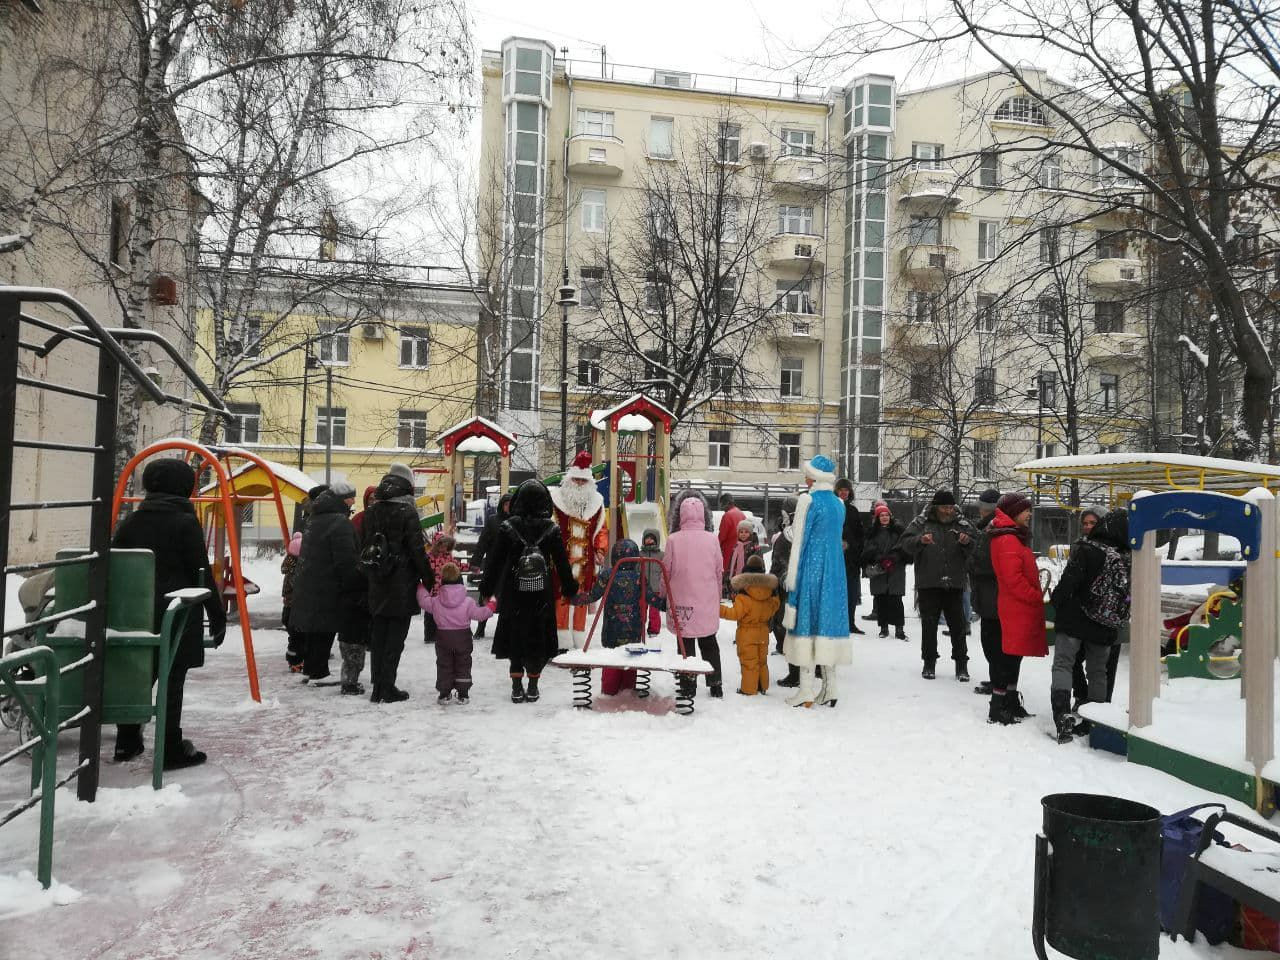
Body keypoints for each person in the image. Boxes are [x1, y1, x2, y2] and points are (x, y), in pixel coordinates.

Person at [111, 458, 226, 770]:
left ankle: (126, 740)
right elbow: (200, 572)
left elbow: (117, 565)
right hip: (176, 615)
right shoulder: (185, 523)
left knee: (137, 677)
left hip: (135, 614)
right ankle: (170, 748)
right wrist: (216, 615)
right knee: (172, 682)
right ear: (184, 487)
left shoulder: (131, 522)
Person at [480, 479, 578, 703]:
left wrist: (487, 588)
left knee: (515, 637)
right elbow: (562, 563)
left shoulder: (508, 527)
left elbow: (495, 561)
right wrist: (569, 588)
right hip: (541, 593)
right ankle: (533, 686)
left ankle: (516, 687)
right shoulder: (551, 529)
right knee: (537, 637)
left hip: (513, 592)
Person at [1049, 508, 1131, 742]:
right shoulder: (1126, 558)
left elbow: (1068, 584)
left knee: (1063, 665)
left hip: (1074, 619)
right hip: (1104, 623)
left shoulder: (1087, 550)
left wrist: (1057, 602)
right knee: (1097, 672)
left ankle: (1063, 714)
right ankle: (1095, 722)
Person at [360, 462, 435, 703]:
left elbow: (365, 546)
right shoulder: (407, 512)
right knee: (395, 638)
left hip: (377, 581)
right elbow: (417, 551)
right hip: (401, 583)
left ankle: (377, 687)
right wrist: (429, 579)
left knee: (379, 635)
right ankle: (387, 686)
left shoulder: (372, 510)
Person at [782, 454, 851, 708]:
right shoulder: (839, 504)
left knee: (807, 624)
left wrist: (786, 528)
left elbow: (799, 537)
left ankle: (806, 690)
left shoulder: (807, 500)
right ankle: (830, 687)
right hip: (834, 571)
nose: (805, 478)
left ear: (814, 477)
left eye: (808, 474)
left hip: (811, 568)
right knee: (826, 626)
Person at [291, 482, 366, 689]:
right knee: (325, 629)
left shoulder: (316, 518)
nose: (353, 501)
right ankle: (319, 672)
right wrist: (355, 582)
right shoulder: (339, 522)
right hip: (328, 585)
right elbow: (346, 560)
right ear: (343, 499)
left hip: (311, 581)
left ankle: (311, 669)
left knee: (315, 628)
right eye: (351, 497)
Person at [900, 489, 975, 681]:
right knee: (929, 625)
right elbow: (905, 543)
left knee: (958, 626)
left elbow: (977, 545)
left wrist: (967, 542)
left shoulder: (962, 523)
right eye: (944, 507)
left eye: (950, 507)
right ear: (935, 507)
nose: (948, 511)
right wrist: (920, 540)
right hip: (928, 582)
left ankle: (961, 664)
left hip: (954, 583)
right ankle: (929, 662)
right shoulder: (921, 522)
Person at [987, 492, 1049, 724]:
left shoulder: (1012, 536)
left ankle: (1010, 701)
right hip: (1016, 607)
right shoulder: (1008, 540)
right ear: (1013, 512)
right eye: (1025, 510)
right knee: (1007, 657)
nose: (1029, 514)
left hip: (1018, 607)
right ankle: (998, 706)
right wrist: (1035, 596)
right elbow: (1012, 579)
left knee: (1014, 656)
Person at [663, 489, 725, 698]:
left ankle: (687, 685)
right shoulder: (712, 540)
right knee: (709, 643)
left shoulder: (673, 540)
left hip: (681, 601)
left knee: (685, 644)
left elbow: (666, 571)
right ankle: (715, 683)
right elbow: (718, 571)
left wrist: (663, 593)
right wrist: (717, 597)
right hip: (707, 599)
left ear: (680, 515)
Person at [551, 450, 608, 650]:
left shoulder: (597, 503)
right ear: (569, 479)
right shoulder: (556, 500)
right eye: (576, 480)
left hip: (586, 561)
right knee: (562, 597)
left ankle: (578, 635)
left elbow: (601, 529)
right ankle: (561, 638)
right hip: (562, 560)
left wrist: (600, 550)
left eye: (583, 481)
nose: (579, 484)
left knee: (582, 599)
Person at [417, 561, 494, 704]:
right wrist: (492, 604)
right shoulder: (468, 602)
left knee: (444, 664)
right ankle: (463, 694)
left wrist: (421, 587)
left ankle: (444, 694)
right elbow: (480, 614)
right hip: (463, 638)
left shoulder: (436, 601)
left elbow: (423, 601)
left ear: (442, 580)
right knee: (463, 664)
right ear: (459, 579)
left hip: (443, 638)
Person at [579, 538, 646, 696]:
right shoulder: (638, 576)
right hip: (633, 628)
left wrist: (577, 599)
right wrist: (665, 604)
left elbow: (594, 595)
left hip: (612, 628)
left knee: (611, 658)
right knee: (630, 659)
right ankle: (628, 690)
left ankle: (609, 691)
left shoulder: (608, 574)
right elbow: (650, 596)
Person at [720, 554, 780, 696]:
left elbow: (734, 614)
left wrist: (718, 609)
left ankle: (748, 689)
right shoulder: (770, 594)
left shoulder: (744, 596)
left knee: (749, 663)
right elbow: (775, 606)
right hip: (763, 632)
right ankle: (762, 686)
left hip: (747, 634)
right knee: (762, 661)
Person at [1070, 505, 1106, 703]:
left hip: (1103, 615)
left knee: (1098, 666)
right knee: (1074, 659)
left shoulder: (1112, 549)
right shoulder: (1078, 546)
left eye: (1092, 523)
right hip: (1080, 612)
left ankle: (1098, 704)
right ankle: (1082, 696)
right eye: (1085, 523)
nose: (1087, 526)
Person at [969, 488, 1002, 696]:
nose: (979, 511)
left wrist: (971, 562)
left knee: (993, 642)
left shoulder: (994, 529)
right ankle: (996, 679)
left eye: (981, 508)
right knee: (989, 641)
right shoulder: (985, 528)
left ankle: (999, 682)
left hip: (993, 595)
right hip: (987, 594)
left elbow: (988, 562)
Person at [861, 503, 908, 639]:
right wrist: (879, 558)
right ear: (877, 518)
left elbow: (904, 547)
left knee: (896, 600)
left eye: (886, 515)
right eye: (881, 515)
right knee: (881, 600)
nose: (884, 517)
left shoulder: (899, 531)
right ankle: (883, 628)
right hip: (879, 570)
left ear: (890, 516)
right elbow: (868, 549)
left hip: (896, 569)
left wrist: (894, 558)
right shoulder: (872, 532)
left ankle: (899, 629)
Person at [470, 493, 513, 639]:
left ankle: (504, 631)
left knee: (508, 600)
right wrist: (475, 562)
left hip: (510, 567)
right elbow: (482, 542)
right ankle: (481, 628)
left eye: (511, 504)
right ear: (502, 505)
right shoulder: (493, 521)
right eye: (506, 504)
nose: (508, 507)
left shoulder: (517, 522)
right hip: (493, 566)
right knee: (486, 596)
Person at [834, 478, 867, 635]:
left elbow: (860, 535)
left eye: (846, 490)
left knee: (851, 593)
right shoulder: (832, 508)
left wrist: (853, 547)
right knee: (835, 592)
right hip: (834, 558)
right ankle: (836, 623)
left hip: (851, 560)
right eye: (841, 489)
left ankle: (850, 623)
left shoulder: (853, 511)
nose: (844, 492)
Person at [770, 498, 797, 662]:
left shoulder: (788, 535)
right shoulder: (789, 532)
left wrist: (780, 576)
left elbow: (780, 560)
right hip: (785, 579)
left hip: (786, 582)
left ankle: (784, 645)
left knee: (782, 615)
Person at [422, 532, 456, 643]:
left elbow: (456, 566)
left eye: (446, 546)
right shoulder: (428, 557)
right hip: (431, 589)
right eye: (443, 546)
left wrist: (470, 567)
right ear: (437, 545)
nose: (444, 549)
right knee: (430, 614)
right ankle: (429, 636)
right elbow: (423, 571)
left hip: (444, 590)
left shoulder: (447, 557)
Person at [280, 532, 305, 672]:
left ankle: (294, 660)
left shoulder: (290, 565)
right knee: (297, 636)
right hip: (296, 606)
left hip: (289, 606)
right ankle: (295, 661)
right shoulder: (296, 570)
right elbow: (298, 586)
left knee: (295, 636)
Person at [725, 518, 763, 591]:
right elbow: (731, 564)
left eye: (746, 532)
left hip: (749, 581)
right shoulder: (736, 546)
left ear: (750, 533)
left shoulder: (754, 547)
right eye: (741, 532)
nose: (743, 534)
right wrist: (727, 578)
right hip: (735, 580)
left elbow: (759, 565)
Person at [640, 528, 664, 636]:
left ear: (657, 540)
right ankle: (639, 628)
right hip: (642, 588)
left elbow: (665, 570)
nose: (649, 540)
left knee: (654, 612)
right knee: (641, 610)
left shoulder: (661, 555)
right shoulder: (640, 554)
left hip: (656, 589)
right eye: (647, 538)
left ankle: (653, 630)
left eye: (652, 538)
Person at [717, 492, 746, 571]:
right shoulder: (742, 514)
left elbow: (722, 536)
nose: (722, 508)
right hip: (741, 552)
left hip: (728, 552)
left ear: (727, 503)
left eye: (722, 505)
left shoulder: (727, 515)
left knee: (727, 574)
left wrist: (716, 546)